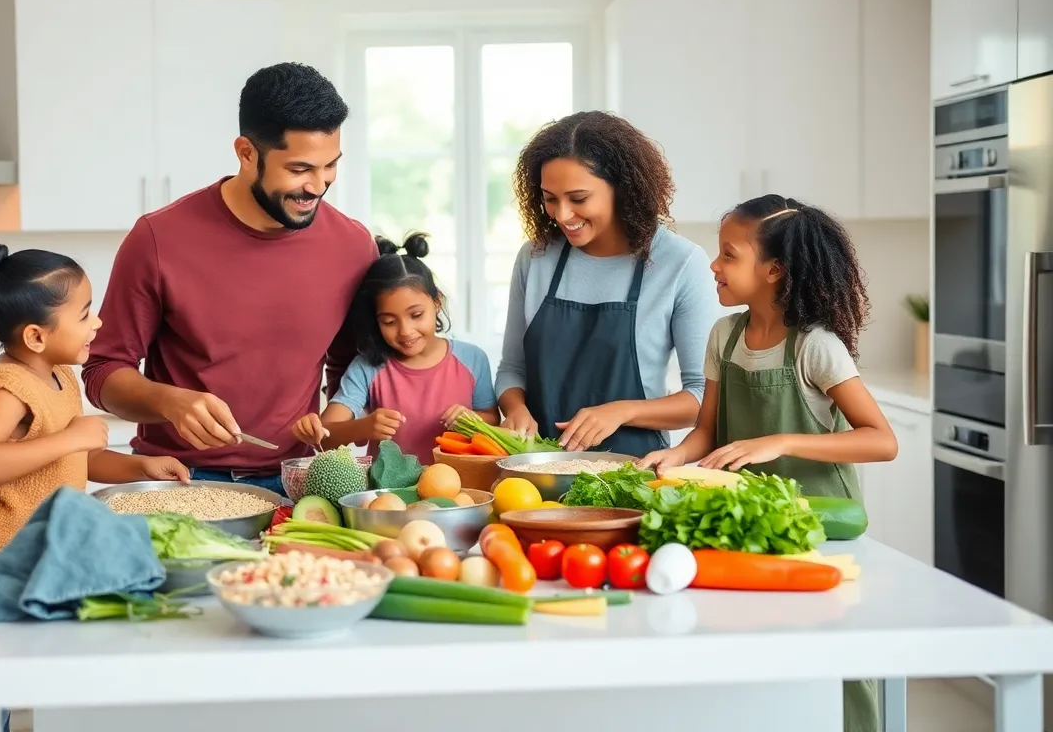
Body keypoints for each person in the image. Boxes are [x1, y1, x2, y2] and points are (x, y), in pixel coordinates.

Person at [637, 195, 897, 732]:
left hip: (820, 526)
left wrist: (780, 441)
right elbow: (706, 431)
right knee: (760, 655)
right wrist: (674, 455)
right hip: (752, 527)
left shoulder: (815, 346)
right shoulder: (724, 336)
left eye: (728, 255)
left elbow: (881, 440)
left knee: (832, 649)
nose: (714, 265)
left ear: (773, 270)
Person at [81, 63, 376, 496]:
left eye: (330, 165)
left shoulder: (352, 245)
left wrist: (333, 438)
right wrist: (169, 402)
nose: (318, 185)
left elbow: (353, 371)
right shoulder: (158, 238)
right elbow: (102, 371)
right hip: (180, 479)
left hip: (298, 480)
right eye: (299, 169)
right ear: (246, 153)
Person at [0, 242, 189, 731]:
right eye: (85, 313)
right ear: (36, 336)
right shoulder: (7, 387)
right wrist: (71, 437)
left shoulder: (60, 377)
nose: (98, 323)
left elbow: (77, 459)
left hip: (38, 553)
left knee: (38, 679)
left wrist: (142, 466)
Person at [496, 111, 720, 456]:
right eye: (550, 198)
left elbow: (702, 397)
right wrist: (515, 409)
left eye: (578, 199)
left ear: (622, 188)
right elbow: (512, 370)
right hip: (538, 469)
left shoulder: (679, 262)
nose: (562, 215)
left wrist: (622, 411)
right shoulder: (536, 257)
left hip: (634, 470)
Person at [291, 233, 497, 464]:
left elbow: (493, 418)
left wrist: (473, 420)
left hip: (461, 483)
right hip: (386, 487)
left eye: (416, 315)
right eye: (389, 322)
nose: (405, 331)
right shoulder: (367, 367)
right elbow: (325, 435)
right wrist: (363, 427)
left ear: (437, 302)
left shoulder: (472, 359)